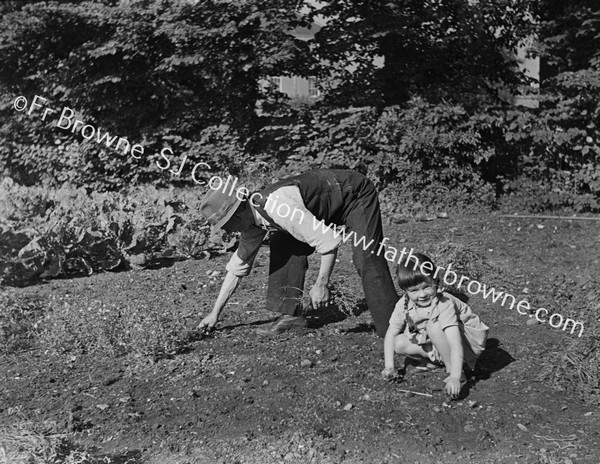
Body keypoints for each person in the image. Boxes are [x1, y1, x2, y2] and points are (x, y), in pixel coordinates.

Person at [197, 169, 398, 337]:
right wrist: (215, 313)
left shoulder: (279, 207)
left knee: (367, 257)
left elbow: (328, 243)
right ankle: (291, 317)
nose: (226, 231)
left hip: (353, 194)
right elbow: (237, 267)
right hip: (323, 207)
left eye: (226, 224)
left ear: (238, 213)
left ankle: (394, 328)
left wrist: (321, 284)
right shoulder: (252, 222)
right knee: (283, 241)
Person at [381, 253, 488, 398]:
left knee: (434, 326)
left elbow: (455, 342)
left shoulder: (444, 303)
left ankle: (456, 371)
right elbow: (390, 334)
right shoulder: (404, 304)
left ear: (435, 281)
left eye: (426, 287)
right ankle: (438, 361)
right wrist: (389, 367)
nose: (422, 294)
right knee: (398, 343)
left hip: (466, 344)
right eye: (414, 291)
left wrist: (454, 378)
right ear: (405, 291)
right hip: (438, 342)